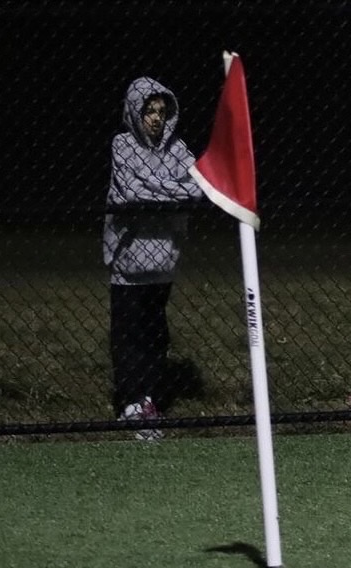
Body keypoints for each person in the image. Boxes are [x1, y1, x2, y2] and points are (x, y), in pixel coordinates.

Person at [102, 77, 203, 440]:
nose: (156, 118)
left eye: (161, 111)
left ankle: (148, 399)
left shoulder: (178, 149)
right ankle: (131, 402)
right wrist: (170, 193)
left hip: (162, 262)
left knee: (155, 334)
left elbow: (197, 187)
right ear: (134, 111)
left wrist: (154, 192)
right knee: (128, 334)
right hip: (130, 263)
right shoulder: (122, 144)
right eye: (148, 111)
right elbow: (129, 192)